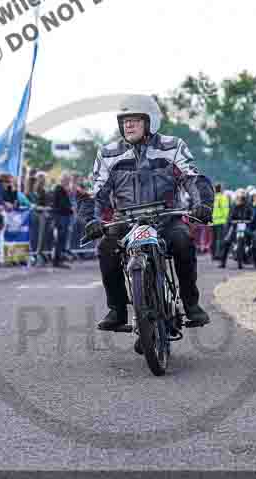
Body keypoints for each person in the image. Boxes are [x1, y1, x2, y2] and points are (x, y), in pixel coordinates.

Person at [80, 95, 214, 330]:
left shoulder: (173, 146)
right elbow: (97, 193)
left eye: (134, 120)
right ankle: (117, 310)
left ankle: (191, 305)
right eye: (124, 121)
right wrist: (91, 219)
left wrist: (202, 204)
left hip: (166, 216)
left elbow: (192, 178)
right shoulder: (108, 153)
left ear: (150, 121)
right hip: (125, 220)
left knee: (183, 241)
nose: (128, 125)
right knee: (106, 248)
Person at [218, 189, 253, 268]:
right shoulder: (233, 205)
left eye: (242, 198)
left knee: (253, 240)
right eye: (239, 198)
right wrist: (231, 221)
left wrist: (250, 220)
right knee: (227, 241)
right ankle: (222, 262)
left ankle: (255, 261)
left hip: (245, 225)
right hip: (235, 226)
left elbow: (252, 215)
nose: (241, 199)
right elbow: (230, 217)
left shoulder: (248, 205)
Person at [52, 173, 74, 269]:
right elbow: (62, 204)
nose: (69, 182)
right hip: (61, 217)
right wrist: (71, 209)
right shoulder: (59, 189)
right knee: (60, 239)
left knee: (62, 239)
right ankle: (57, 260)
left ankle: (59, 259)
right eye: (68, 180)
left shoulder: (63, 190)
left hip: (64, 216)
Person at [211, 183, 230, 261]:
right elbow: (226, 210)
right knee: (220, 239)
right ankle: (218, 254)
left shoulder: (212, 197)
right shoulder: (223, 197)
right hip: (221, 221)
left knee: (214, 239)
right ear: (221, 189)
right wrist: (226, 220)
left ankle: (213, 255)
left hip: (212, 221)